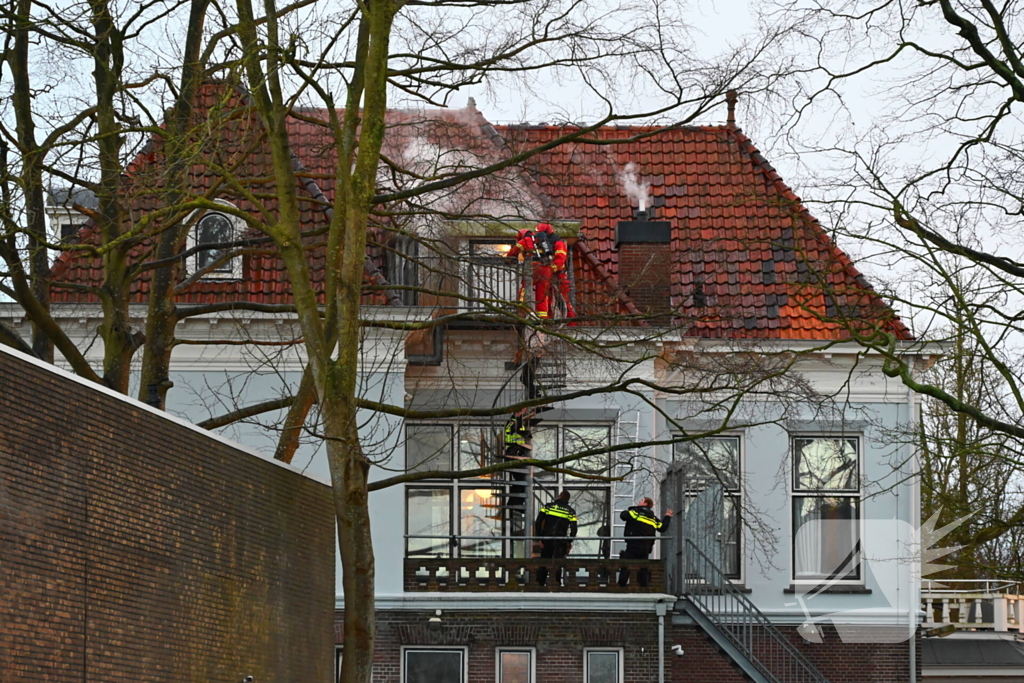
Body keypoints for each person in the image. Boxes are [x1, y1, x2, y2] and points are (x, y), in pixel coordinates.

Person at [618, 497, 673, 587]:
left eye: (641, 501)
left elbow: (623, 516)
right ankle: (643, 586)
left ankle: (621, 585)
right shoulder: (653, 518)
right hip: (646, 546)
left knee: (626, 565)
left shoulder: (636, 512)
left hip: (633, 544)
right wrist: (667, 516)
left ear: (645, 504)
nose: (639, 502)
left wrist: (631, 509)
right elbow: (662, 528)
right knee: (643, 567)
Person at [534, 490, 578, 586]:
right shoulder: (570, 511)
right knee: (558, 563)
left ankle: (540, 584)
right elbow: (574, 530)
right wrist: (568, 541)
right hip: (561, 540)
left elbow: (538, 522)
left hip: (547, 539)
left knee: (544, 561)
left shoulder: (548, 507)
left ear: (559, 496)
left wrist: (539, 538)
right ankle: (557, 584)